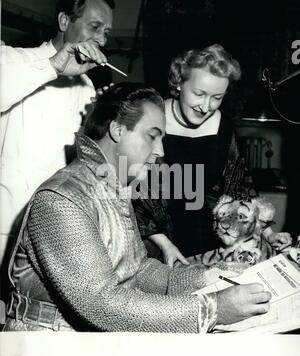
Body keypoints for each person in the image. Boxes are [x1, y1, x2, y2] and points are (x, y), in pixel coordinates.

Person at [2, 83, 271, 332]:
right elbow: (100, 303)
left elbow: (138, 269)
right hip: (47, 349)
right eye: (152, 137)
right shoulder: (61, 198)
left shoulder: (110, 184)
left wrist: (210, 275)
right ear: (118, 130)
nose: (159, 151)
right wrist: (213, 308)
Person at [133, 44, 291, 262]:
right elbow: (135, 196)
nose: (206, 106)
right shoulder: (151, 120)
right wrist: (164, 245)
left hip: (210, 239)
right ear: (179, 83)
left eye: (217, 98)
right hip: (157, 241)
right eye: (199, 94)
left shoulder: (222, 127)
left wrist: (268, 233)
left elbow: (238, 188)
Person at [0, 0, 115, 268]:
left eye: (106, 32)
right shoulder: (11, 58)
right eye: (95, 26)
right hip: (6, 224)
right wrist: (53, 66)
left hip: (54, 226)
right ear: (65, 22)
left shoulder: (86, 84)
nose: (101, 38)